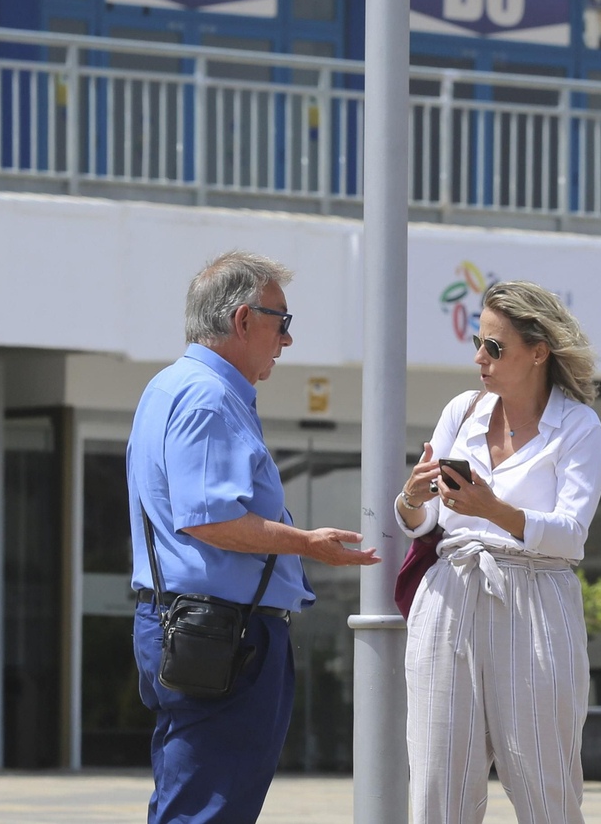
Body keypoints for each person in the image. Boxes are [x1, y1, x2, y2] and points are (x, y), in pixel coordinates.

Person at [128, 250, 380, 824]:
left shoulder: (174, 387)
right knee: (208, 808)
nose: (286, 340)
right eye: (281, 321)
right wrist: (307, 544)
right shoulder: (208, 397)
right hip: (221, 631)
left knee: (196, 800)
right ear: (243, 320)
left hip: (205, 626)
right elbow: (208, 519)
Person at [397, 280, 601, 824]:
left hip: (536, 598)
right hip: (452, 592)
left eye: (495, 347)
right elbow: (425, 525)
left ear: (538, 352)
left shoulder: (579, 426)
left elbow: (570, 535)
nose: (480, 359)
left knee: (546, 788)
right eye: (478, 342)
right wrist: (411, 498)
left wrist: (494, 510)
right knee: (438, 790)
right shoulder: (462, 411)